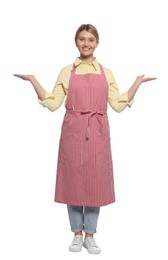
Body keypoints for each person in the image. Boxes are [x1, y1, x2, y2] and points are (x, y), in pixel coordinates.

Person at [13, 24, 157, 254]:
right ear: (76, 42)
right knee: (73, 182)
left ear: (97, 43)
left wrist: (137, 83)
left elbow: (118, 105)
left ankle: (90, 235)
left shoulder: (105, 72)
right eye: (82, 39)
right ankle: (76, 235)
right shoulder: (66, 71)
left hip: (98, 132)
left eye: (90, 39)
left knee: (94, 184)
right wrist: (33, 80)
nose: (86, 43)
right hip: (72, 132)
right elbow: (52, 104)